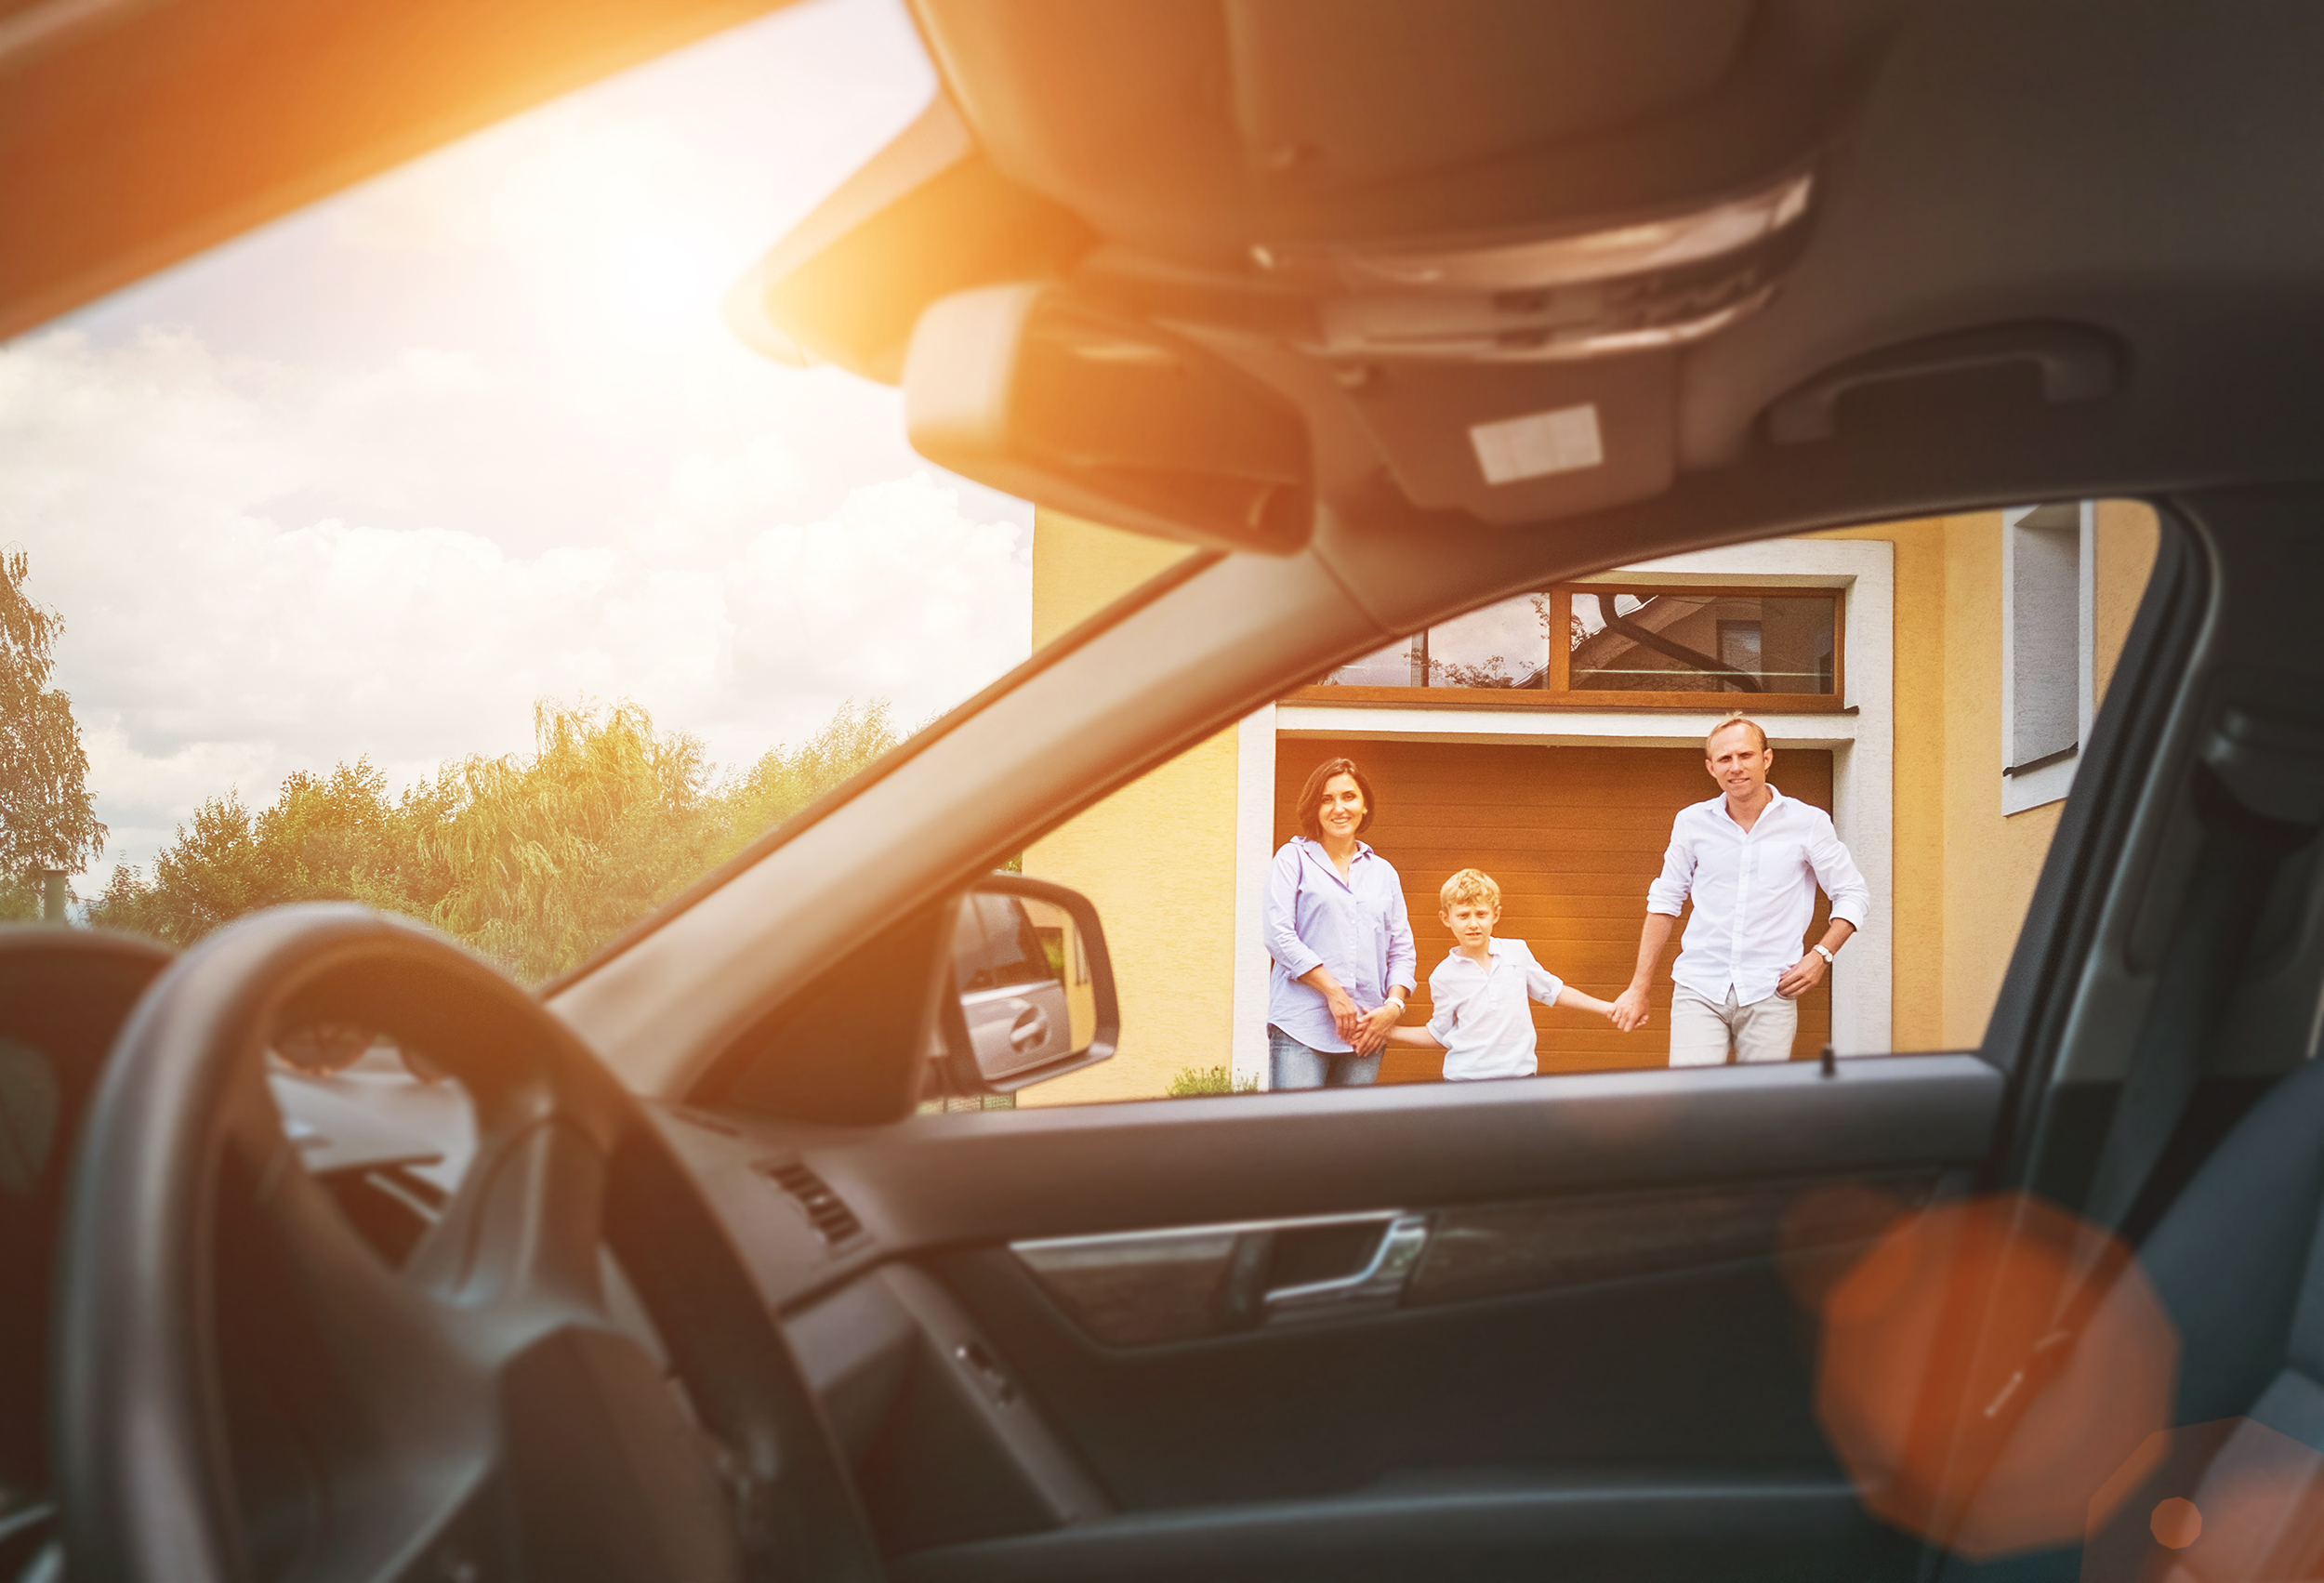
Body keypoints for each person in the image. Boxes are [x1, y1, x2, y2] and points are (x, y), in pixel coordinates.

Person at [1609, 715, 1870, 1066]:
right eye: (1724, 759)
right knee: (1692, 1102)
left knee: (1757, 1110)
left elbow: (1852, 893)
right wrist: (1639, 988)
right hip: (1699, 987)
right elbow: (1665, 901)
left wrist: (1821, 956)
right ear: (1711, 767)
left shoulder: (1808, 823)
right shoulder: (1692, 822)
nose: (1736, 767)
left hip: (1771, 990)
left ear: (1766, 759)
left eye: (1745, 756)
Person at [1263, 756, 1417, 1088]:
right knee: (1298, 1136)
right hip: (1301, 1026)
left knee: (1352, 1139)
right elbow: (1278, 935)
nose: (1339, 808)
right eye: (1326, 799)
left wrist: (1393, 1006)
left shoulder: (1383, 872)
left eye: (1349, 797)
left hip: (1366, 1032)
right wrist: (1334, 992)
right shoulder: (1293, 859)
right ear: (1314, 809)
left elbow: (1402, 949)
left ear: (1364, 806)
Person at [1389, 868, 1620, 1078]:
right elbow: (1439, 1034)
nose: (1473, 924)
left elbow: (1553, 991)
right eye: (1463, 915)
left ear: (1495, 915)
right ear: (1446, 919)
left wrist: (1608, 1008)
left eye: (1481, 914)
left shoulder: (1516, 952)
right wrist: (1389, 1031)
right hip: (1464, 1082)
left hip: (1520, 1079)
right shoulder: (1443, 976)